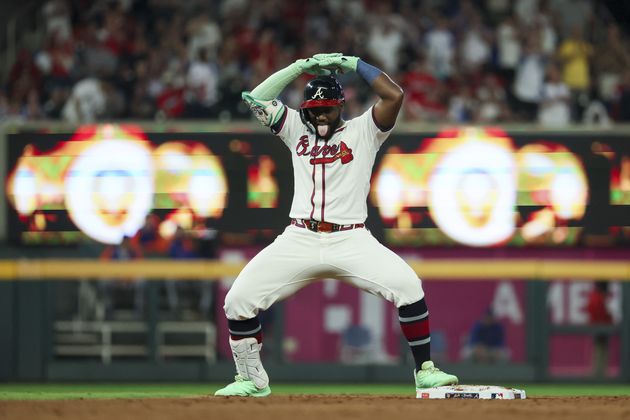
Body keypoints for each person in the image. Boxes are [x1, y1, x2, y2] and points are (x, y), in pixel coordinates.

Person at [214, 53, 458, 397]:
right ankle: (251, 379)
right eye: (314, 109)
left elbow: (394, 95)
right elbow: (256, 98)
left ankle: (425, 371)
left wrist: (355, 64)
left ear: (340, 106)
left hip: (351, 238)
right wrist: (299, 68)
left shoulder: (364, 130)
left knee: (409, 287)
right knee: (238, 300)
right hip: (299, 236)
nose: (320, 114)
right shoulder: (295, 127)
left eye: (327, 107)